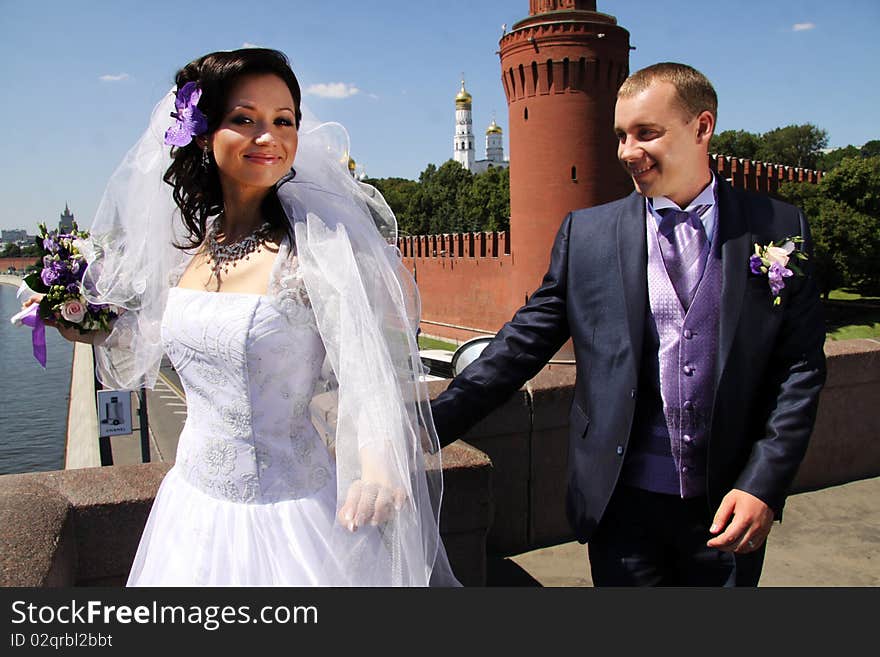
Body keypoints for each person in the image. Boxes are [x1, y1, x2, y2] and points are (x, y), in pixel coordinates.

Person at [24, 48, 458, 586]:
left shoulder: (314, 253)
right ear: (203, 135)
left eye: (283, 121)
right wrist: (89, 325)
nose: (268, 137)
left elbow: (366, 367)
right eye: (244, 120)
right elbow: (171, 337)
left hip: (291, 516)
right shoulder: (190, 249)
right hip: (192, 510)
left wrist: (376, 461)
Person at [430, 62, 827, 586]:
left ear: (702, 128)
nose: (626, 152)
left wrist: (764, 484)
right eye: (620, 135)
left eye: (647, 133)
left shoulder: (777, 227)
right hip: (621, 508)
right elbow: (518, 348)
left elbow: (798, 369)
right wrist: (423, 428)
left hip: (731, 507)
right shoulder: (588, 234)